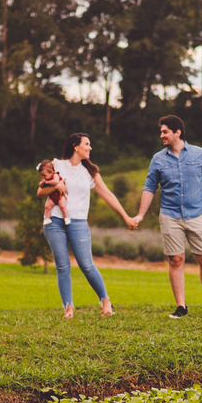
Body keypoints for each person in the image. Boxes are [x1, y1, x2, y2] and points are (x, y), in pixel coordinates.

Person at [131, 115, 202, 320]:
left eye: (164, 131)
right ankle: (181, 306)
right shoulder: (158, 159)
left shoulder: (199, 154)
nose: (161, 135)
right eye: (161, 132)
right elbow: (149, 187)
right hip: (170, 215)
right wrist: (140, 214)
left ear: (177, 132)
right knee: (176, 259)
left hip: (197, 214)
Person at [38, 133, 136, 318]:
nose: (90, 148)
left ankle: (105, 301)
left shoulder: (90, 173)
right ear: (75, 146)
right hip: (55, 222)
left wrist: (126, 216)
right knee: (62, 266)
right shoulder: (57, 165)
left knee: (87, 265)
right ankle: (68, 308)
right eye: (87, 144)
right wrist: (56, 187)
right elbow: (40, 191)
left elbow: (108, 195)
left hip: (78, 223)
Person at [37, 160, 70, 226]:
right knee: (47, 206)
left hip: (60, 195)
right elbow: (40, 187)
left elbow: (56, 182)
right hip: (52, 197)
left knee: (62, 205)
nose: (43, 177)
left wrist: (46, 182)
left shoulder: (55, 175)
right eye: (41, 176)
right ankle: (47, 219)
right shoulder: (46, 178)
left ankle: (66, 218)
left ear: (51, 172)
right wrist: (41, 183)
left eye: (44, 175)